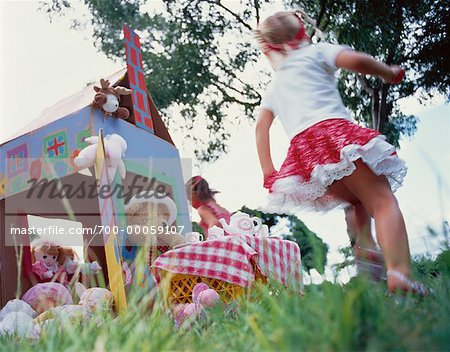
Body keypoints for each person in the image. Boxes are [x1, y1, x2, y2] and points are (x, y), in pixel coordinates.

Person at [254, 11, 427, 294]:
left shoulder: (274, 86)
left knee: (355, 203)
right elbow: (357, 60)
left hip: (307, 156)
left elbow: (261, 128)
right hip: (336, 136)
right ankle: (399, 273)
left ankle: (368, 253)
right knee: (382, 202)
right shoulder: (316, 52)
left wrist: (268, 171)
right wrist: (387, 72)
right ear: (302, 33)